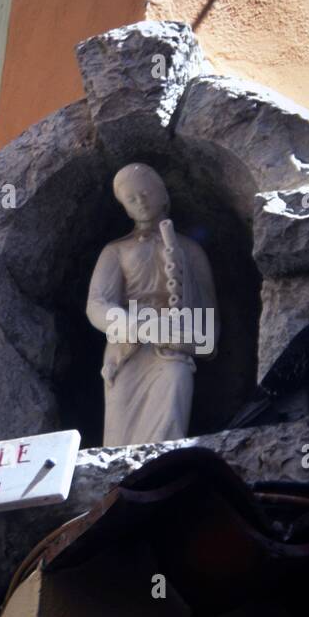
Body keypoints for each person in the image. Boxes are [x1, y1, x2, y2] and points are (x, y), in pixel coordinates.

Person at [86, 163, 218, 445]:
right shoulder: (116, 250)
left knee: (169, 415)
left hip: (173, 350)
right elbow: (97, 304)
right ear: (125, 208)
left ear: (163, 194)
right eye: (131, 199)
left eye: (145, 192)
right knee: (120, 437)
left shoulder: (191, 250)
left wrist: (189, 341)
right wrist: (135, 326)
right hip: (128, 350)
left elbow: (210, 323)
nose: (141, 201)